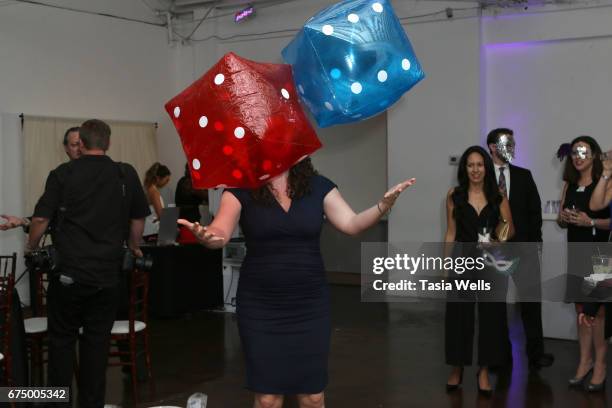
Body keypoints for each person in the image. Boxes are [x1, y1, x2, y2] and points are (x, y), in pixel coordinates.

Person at [179, 158, 415, 408]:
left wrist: (382, 205)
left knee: (312, 397)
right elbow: (220, 232)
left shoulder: (318, 186)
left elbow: (352, 224)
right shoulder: (241, 189)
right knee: (268, 399)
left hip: (309, 303)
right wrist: (208, 237)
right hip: (261, 305)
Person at [27, 119, 149, 407]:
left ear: (80, 143)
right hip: (107, 276)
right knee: (97, 345)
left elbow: (41, 219)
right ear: (107, 143)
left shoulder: (62, 173)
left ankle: (57, 402)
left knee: (61, 343)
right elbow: (138, 219)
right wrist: (133, 245)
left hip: (68, 276)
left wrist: (31, 245)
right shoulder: (124, 173)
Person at [444, 145, 515, 396]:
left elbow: (509, 228)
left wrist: (498, 240)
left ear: (487, 167)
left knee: (491, 318)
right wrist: (446, 265)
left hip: (491, 264)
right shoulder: (455, 196)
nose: (475, 169)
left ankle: (483, 370)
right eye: (470, 165)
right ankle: (457, 367)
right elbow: (451, 232)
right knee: (458, 316)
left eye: (480, 164)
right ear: (465, 168)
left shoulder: (498, 196)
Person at [486, 128, 554, 370]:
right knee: (495, 305)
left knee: (531, 303)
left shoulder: (524, 175)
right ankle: (500, 357)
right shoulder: (481, 178)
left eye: (513, 143)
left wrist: (536, 244)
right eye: (506, 143)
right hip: (493, 253)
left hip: (524, 250)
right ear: (492, 147)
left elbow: (534, 212)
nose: (512, 147)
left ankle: (536, 355)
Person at [557, 136, 611, 392]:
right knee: (581, 310)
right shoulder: (569, 183)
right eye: (575, 153)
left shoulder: (607, 182)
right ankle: (585, 361)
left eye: (584, 152)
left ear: (594, 155)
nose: (578, 157)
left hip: (601, 254)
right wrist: (566, 218)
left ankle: (600, 365)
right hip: (576, 251)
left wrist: (589, 221)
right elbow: (560, 220)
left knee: (598, 312)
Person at [0, 127, 81, 231]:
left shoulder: (104, 173)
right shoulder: (60, 175)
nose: (80, 149)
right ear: (66, 148)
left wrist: (31, 246)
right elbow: (48, 217)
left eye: (83, 144)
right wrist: (22, 221)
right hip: (69, 243)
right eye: (75, 145)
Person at [142, 162, 171, 239]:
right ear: (158, 178)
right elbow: (161, 214)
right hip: (152, 230)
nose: (166, 183)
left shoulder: (148, 189)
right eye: (166, 180)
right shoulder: (153, 191)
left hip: (148, 229)